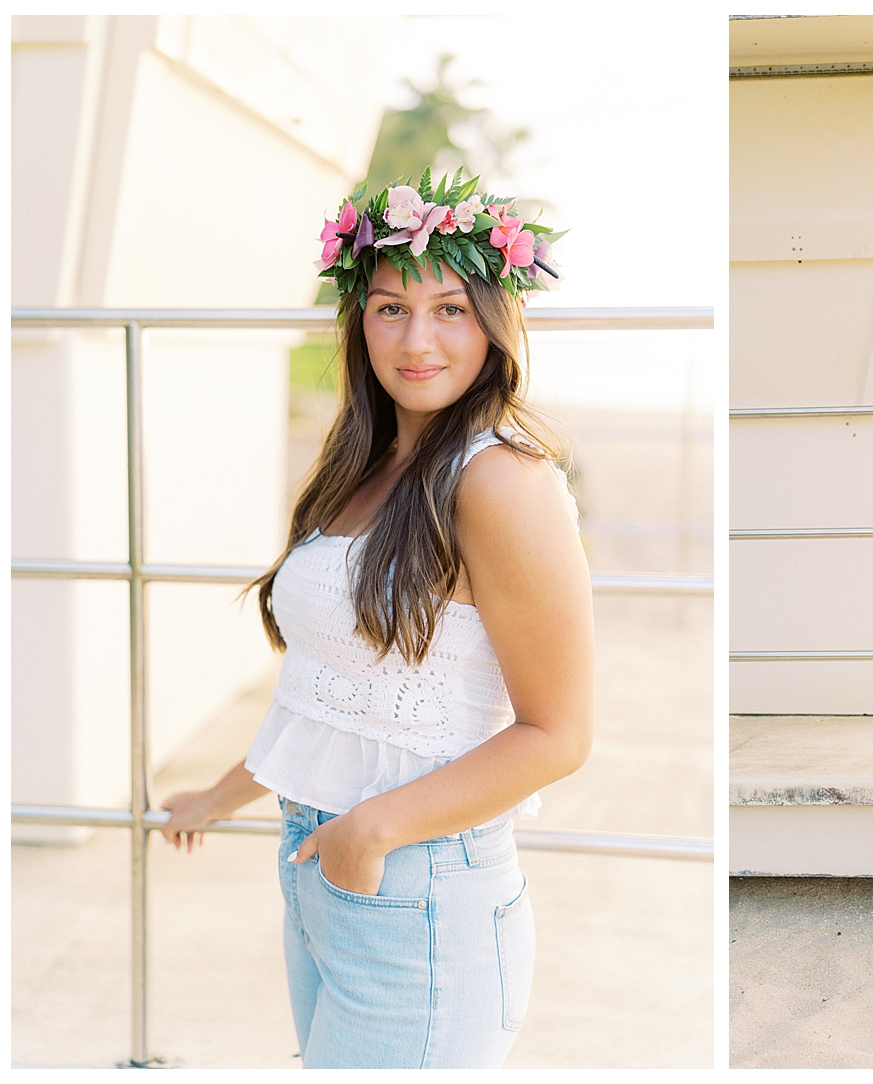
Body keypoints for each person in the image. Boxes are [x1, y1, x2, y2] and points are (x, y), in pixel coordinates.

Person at [158, 169, 592, 1068]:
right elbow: (332, 695)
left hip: (418, 882)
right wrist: (220, 795)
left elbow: (559, 733)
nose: (417, 340)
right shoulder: (362, 465)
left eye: (451, 310)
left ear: (496, 324)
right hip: (322, 864)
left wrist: (375, 830)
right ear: (359, 319)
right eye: (391, 307)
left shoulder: (502, 480)